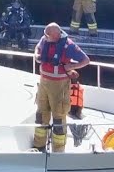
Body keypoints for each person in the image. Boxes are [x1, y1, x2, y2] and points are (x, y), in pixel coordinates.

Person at [33, 23, 91, 152]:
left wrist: (70, 67)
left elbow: (86, 60)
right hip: (44, 82)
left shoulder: (68, 46)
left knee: (59, 118)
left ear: (56, 35)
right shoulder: (45, 39)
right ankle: (38, 146)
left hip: (59, 85)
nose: (44, 37)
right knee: (41, 115)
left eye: (47, 35)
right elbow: (38, 47)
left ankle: (58, 151)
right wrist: (37, 55)